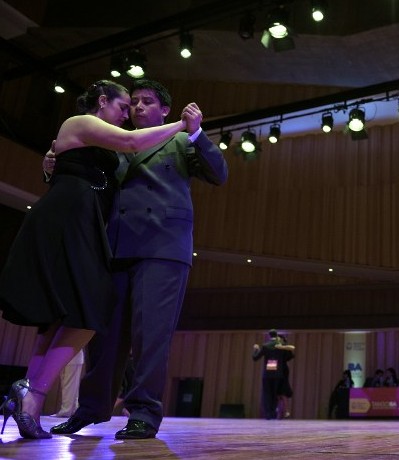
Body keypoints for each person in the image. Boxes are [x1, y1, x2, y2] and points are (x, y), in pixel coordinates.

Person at [0, 79, 190, 439]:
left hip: (84, 224)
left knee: (65, 316)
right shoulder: (81, 122)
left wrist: (52, 165)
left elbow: (88, 165)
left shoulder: (103, 141)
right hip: (67, 220)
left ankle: (30, 396)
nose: (127, 114)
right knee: (90, 311)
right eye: (123, 107)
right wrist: (182, 124)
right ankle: (34, 392)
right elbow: (132, 143)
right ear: (103, 101)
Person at [48, 79, 228, 440]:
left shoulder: (179, 139)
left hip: (163, 249)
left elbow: (218, 173)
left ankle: (144, 413)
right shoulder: (115, 144)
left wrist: (196, 134)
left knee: (151, 337)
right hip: (117, 249)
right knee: (104, 337)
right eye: (134, 103)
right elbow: (88, 186)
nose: (138, 108)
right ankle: (91, 409)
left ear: (165, 110)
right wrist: (54, 166)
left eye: (148, 102)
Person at [252, 330, 294, 420]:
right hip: (279, 373)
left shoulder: (265, 346)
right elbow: (289, 356)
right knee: (275, 394)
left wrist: (255, 349)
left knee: (267, 394)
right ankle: (274, 414)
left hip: (268, 373)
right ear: (276, 335)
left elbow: (255, 358)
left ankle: (268, 414)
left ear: (269, 336)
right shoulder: (281, 345)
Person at [53, 349, 85, 418]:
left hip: (73, 356)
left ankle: (66, 411)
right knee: (68, 385)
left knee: (69, 385)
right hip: (65, 356)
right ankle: (73, 410)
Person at [276, 334, 295, 419]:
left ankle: (286, 410)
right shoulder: (275, 348)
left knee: (282, 392)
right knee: (277, 393)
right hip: (275, 369)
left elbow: (290, 356)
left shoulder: (285, 348)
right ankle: (279, 411)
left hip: (282, 369)